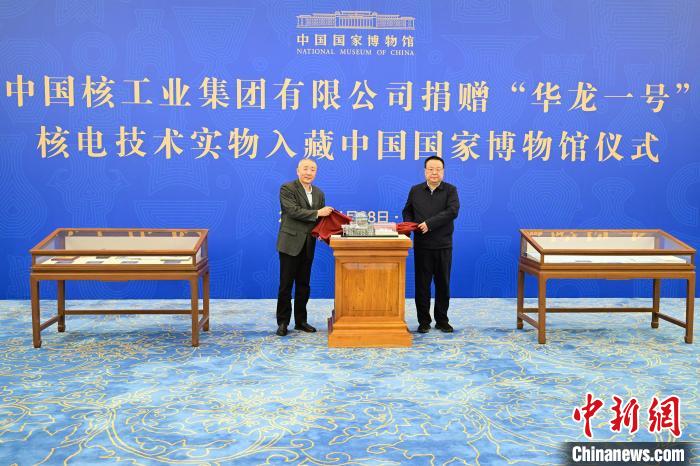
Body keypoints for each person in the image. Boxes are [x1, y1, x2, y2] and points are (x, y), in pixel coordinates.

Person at [401, 156, 460, 333]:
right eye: (431, 169)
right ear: (425, 171)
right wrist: (410, 225)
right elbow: (407, 210)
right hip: (422, 245)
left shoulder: (450, 190)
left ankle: (442, 320)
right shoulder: (416, 190)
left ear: (443, 171)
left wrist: (429, 224)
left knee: (443, 285)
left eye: (438, 169)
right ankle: (424, 321)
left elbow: (452, 211)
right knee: (422, 285)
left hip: (443, 245)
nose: (434, 172)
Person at [275, 159, 333, 336]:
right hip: (290, 243)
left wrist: (326, 230)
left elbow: (321, 220)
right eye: (305, 169)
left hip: (308, 244)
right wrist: (318, 212)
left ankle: (301, 321)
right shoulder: (287, 188)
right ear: (298, 171)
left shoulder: (319, 193)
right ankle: (283, 322)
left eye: (313, 169)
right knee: (286, 285)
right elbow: (292, 211)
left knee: (303, 285)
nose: (309, 172)